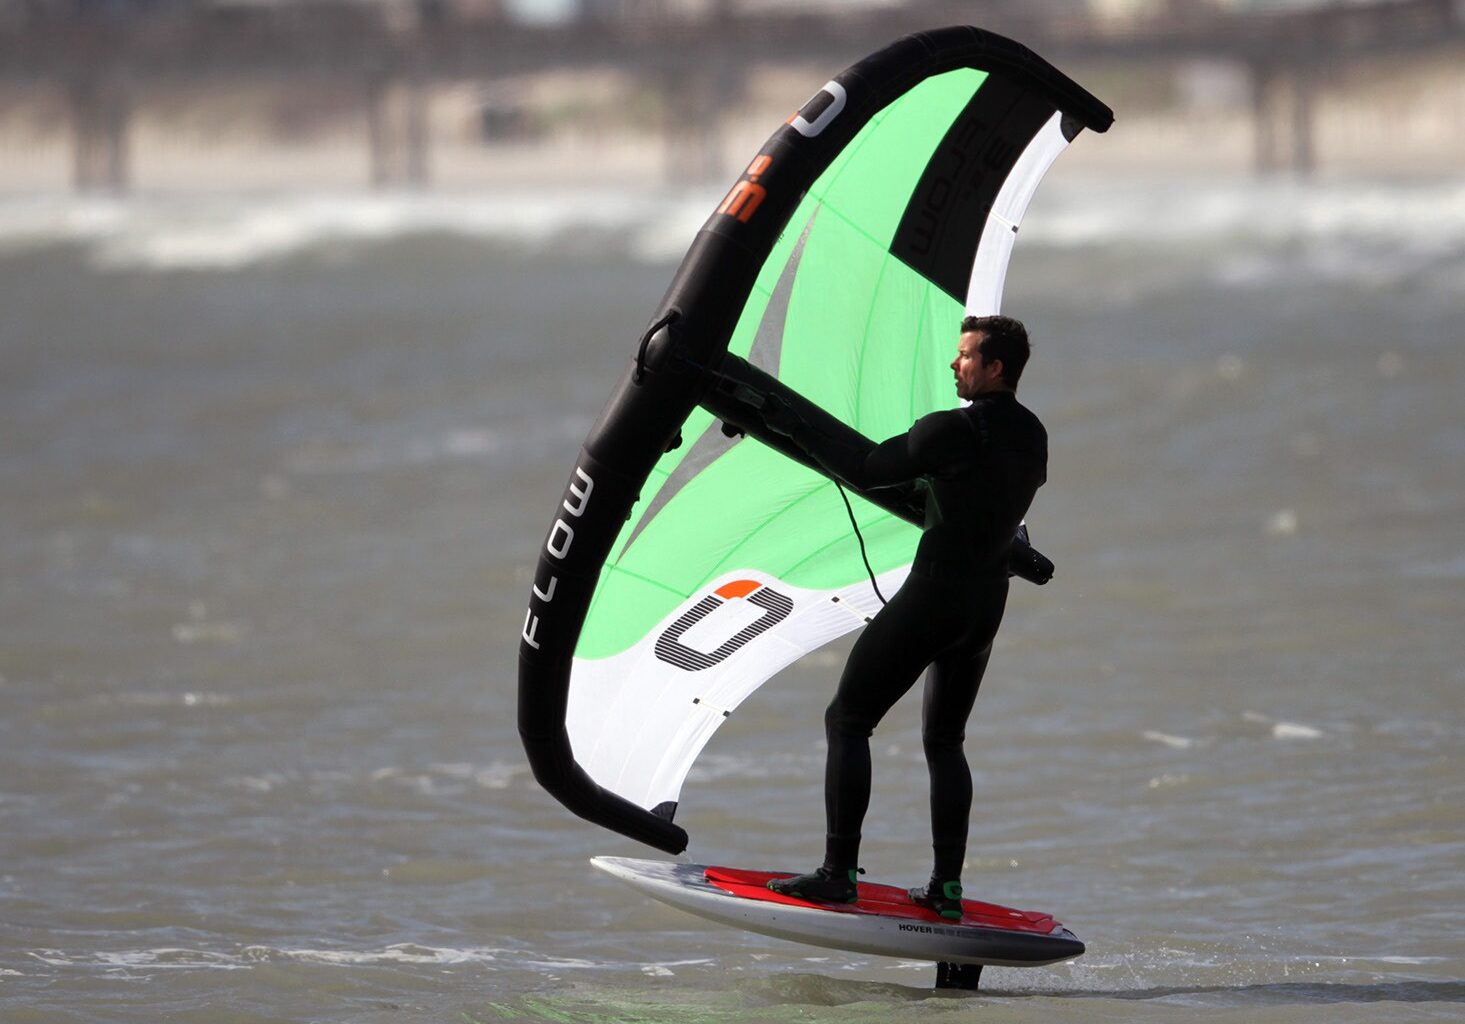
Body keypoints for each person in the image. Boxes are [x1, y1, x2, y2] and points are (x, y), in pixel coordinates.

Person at [761, 314, 1048, 920]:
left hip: (937, 594)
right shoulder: (1034, 436)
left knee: (848, 718)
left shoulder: (951, 430)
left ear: (995, 368)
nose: (954, 364)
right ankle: (946, 887)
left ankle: (839, 873)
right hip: (985, 604)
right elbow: (982, 499)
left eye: (966, 355)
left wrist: (781, 419)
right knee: (946, 741)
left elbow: (865, 466)